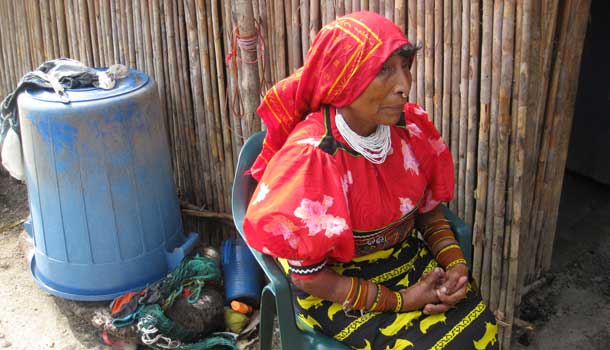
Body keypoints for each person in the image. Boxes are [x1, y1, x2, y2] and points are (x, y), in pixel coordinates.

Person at [243, 11, 498, 350]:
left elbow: (429, 211)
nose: (404, 85)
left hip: (406, 260)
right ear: (342, 80)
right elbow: (310, 278)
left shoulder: (411, 131)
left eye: (405, 66)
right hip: (339, 287)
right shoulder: (314, 159)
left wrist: (455, 269)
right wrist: (402, 301)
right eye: (383, 71)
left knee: (484, 331)